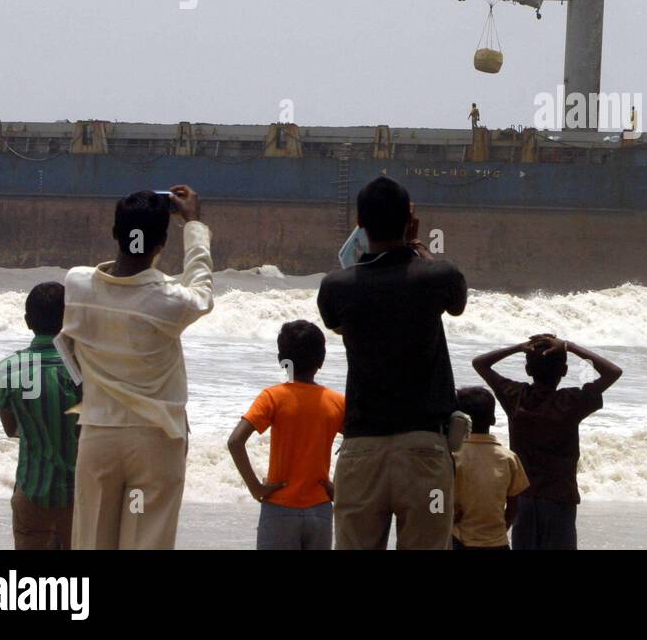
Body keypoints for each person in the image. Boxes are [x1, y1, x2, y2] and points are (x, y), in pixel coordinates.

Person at [317, 176, 466, 550]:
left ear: (360, 223)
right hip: (425, 450)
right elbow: (457, 301)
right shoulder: (437, 276)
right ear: (409, 220)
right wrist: (417, 245)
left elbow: (336, 323)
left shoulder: (336, 287)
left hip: (361, 452)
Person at [59, 186, 213, 549]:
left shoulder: (77, 284)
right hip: (155, 439)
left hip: (99, 434)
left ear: (115, 234)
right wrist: (193, 225)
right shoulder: (168, 300)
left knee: (93, 540)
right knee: (147, 539)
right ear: (161, 244)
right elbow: (202, 291)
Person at [472, 334, 621, 550]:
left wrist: (518, 347)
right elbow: (613, 372)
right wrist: (570, 346)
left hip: (523, 499)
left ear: (528, 370)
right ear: (564, 371)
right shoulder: (570, 401)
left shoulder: (516, 396)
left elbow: (480, 363)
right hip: (559, 498)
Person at [228, 320, 345, 550]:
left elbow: (235, 442)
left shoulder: (272, 397)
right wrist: (339, 487)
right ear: (321, 360)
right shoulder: (336, 402)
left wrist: (256, 488)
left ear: (282, 360)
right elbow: (358, 446)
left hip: (279, 508)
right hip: (320, 509)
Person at [0, 282, 82, 550]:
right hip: (80, 495)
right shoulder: (86, 367)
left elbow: (11, 429)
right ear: (68, 319)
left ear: (28, 321)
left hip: (32, 490)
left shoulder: (9, 368)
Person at [451, 386, 529, 550]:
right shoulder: (509, 458)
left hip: (458, 540)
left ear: (458, 421)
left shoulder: (452, 456)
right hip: (498, 542)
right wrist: (501, 530)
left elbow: (434, 494)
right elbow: (514, 504)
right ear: (493, 419)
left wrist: (441, 514)